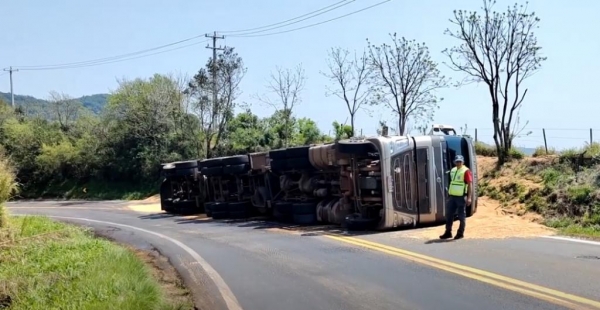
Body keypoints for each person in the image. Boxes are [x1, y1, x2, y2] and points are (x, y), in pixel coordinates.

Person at [440, 154, 472, 240]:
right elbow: (451, 183)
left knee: (461, 216)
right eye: (457, 161)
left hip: (461, 197)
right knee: (449, 214)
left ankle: (460, 233)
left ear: (463, 162)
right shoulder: (453, 170)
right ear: (455, 162)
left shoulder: (466, 171)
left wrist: (469, 197)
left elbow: (470, 184)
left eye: (460, 161)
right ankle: (448, 232)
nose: (458, 163)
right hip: (452, 197)